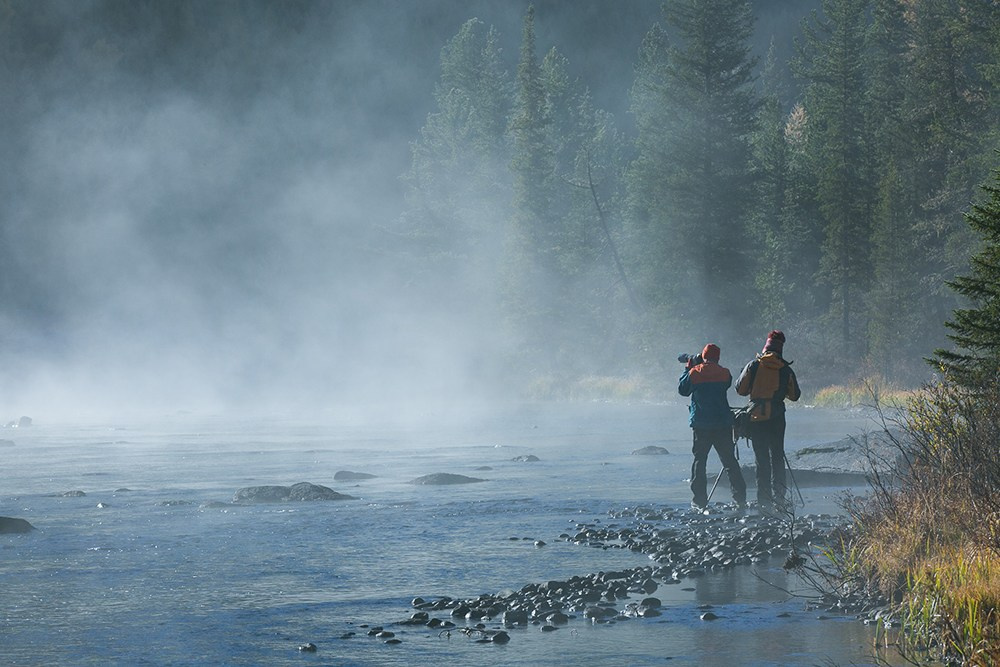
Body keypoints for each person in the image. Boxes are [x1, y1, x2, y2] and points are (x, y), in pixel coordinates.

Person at [735, 330, 801, 512]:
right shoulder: (785, 369)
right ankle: (780, 498)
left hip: (756, 418)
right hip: (777, 418)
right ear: (781, 348)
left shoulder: (753, 366)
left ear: (766, 346)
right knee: (777, 458)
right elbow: (795, 396)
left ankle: (763, 501)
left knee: (761, 460)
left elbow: (740, 390)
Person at [678, 343, 747, 511]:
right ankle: (740, 499)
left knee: (700, 462)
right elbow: (726, 384)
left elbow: (683, 390)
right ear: (718, 357)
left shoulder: (695, 372)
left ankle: (699, 501)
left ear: (703, 356)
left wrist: (688, 368)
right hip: (723, 424)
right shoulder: (725, 373)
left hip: (701, 425)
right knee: (730, 461)